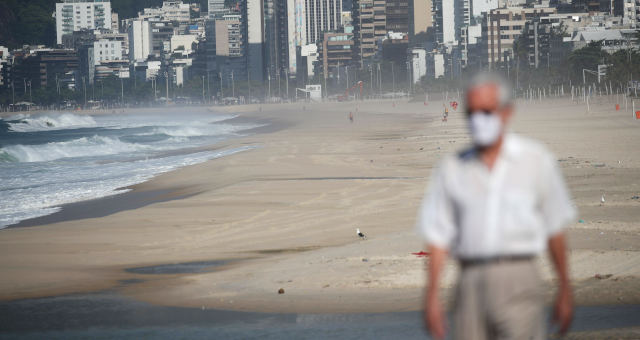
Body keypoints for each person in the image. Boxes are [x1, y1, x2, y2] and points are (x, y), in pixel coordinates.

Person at [417, 74, 576, 340]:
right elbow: (438, 236)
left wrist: (565, 287)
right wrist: (432, 295)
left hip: (520, 277)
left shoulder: (535, 160)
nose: (478, 120)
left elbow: (554, 227)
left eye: (486, 111)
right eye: (471, 112)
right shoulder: (452, 168)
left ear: (506, 112)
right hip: (469, 281)